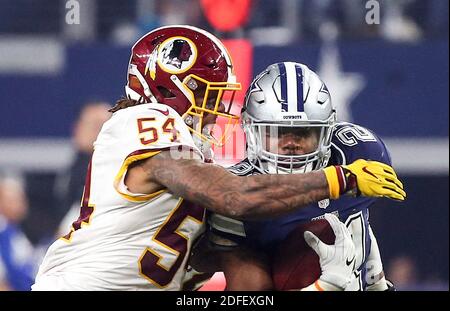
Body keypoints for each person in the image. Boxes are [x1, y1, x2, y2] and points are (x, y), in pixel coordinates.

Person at [32, 26, 405, 291]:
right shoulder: (142, 120)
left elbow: (241, 277)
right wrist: (339, 179)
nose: (216, 113)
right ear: (171, 89)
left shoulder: (196, 165)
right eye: (210, 96)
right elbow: (235, 196)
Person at [206, 62, 402, 291]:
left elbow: (361, 223)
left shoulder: (355, 154)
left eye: (303, 132)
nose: (291, 144)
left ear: (327, 131)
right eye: (278, 132)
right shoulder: (237, 194)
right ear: (251, 129)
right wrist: (322, 287)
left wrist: (375, 281)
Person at [55, 101, 112, 237]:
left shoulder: (110, 169)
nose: (100, 133)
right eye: (95, 126)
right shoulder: (78, 166)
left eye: (101, 127)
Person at [0, 177, 38, 291]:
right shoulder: (2, 232)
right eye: (14, 199)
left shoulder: (13, 230)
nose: (21, 204)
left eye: (22, 198)